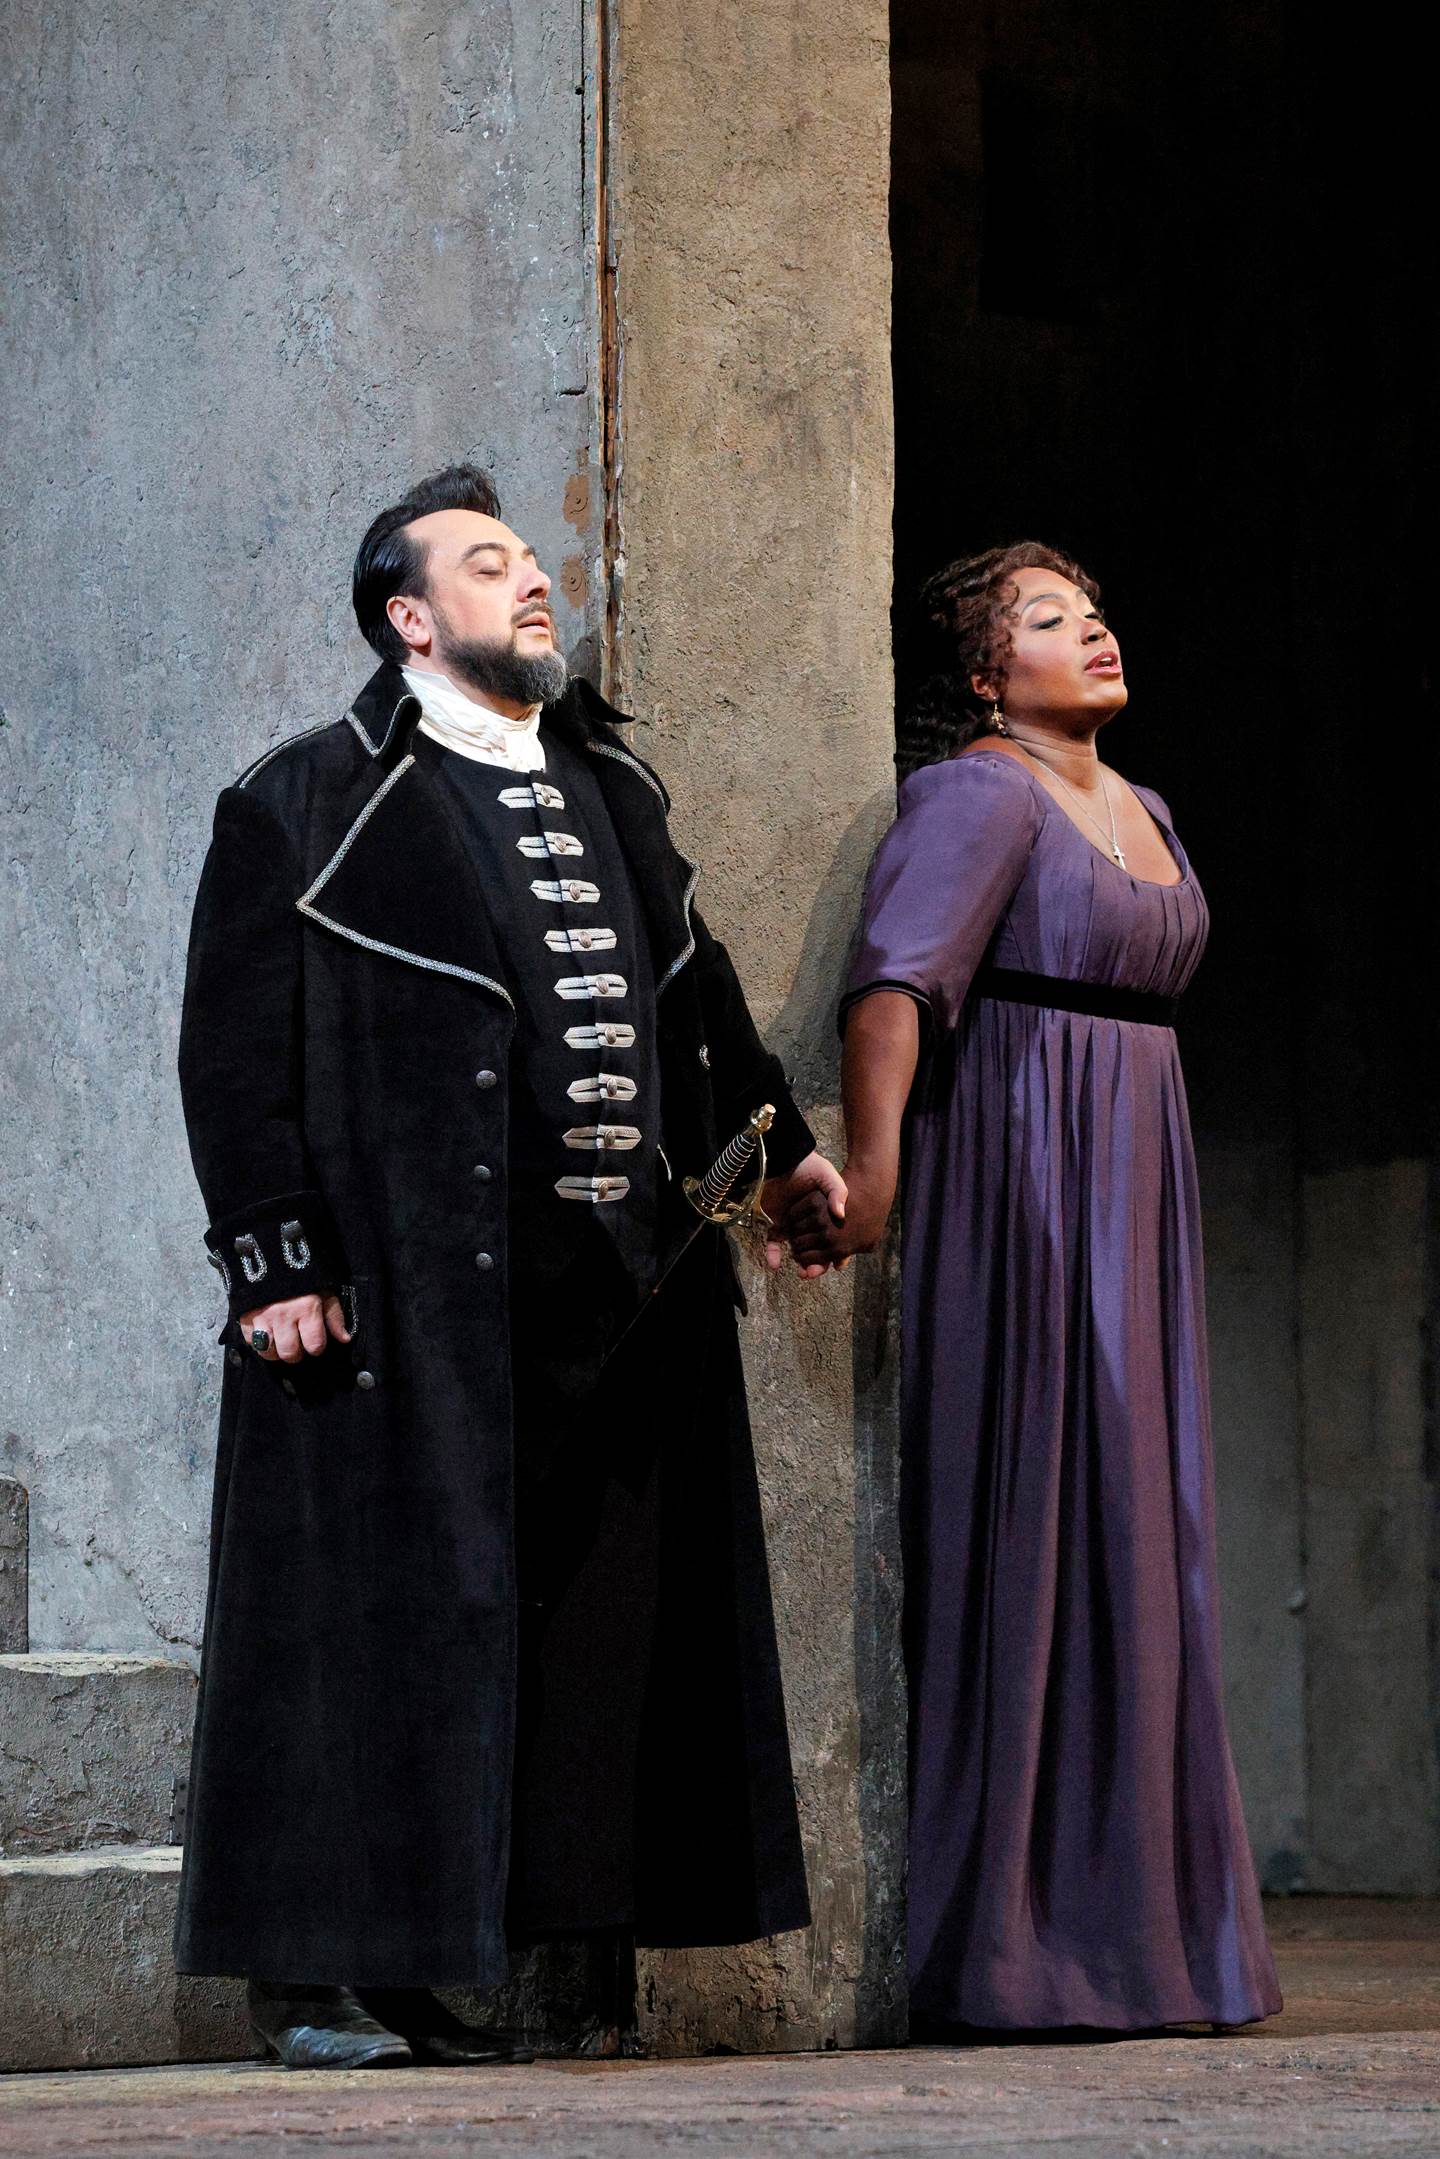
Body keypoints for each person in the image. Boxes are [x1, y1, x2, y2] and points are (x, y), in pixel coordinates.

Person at [174, 463, 845, 2068]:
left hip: (617, 1286)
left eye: (531, 557)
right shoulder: (305, 800)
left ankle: (531, 1952)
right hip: (410, 1294)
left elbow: (693, 987)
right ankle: (322, 1979)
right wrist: (275, 1262)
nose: (531, 577)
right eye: (486, 564)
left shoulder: (611, 783)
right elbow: (231, 1054)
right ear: (408, 618)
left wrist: (782, 1146)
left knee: (591, 1632)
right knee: (368, 1633)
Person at [788, 543, 1281, 2033]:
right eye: (1052, 621)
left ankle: (1151, 1934)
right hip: (1027, 1165)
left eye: (1097, 612)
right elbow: (894, 986)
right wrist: (875, 1175)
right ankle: (1023, 1941)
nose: (1096, 632)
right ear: (986, 676)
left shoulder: (1149, 808)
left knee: (1143, 1519)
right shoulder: (977, 795)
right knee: (1047, 1508)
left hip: (1138, 1161)